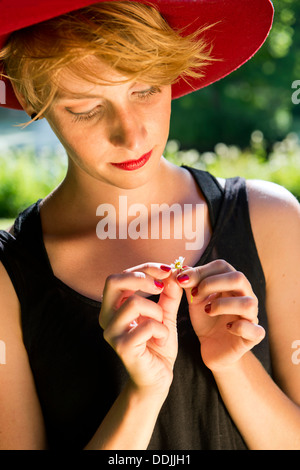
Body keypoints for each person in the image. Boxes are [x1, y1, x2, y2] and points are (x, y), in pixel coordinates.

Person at [0, 0, 299, 451]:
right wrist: (142, 395)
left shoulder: (272, 220)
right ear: (34, 97)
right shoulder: (8, 277)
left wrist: (235, 365)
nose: (132, 134)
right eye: (84, 108)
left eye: (146, 91)